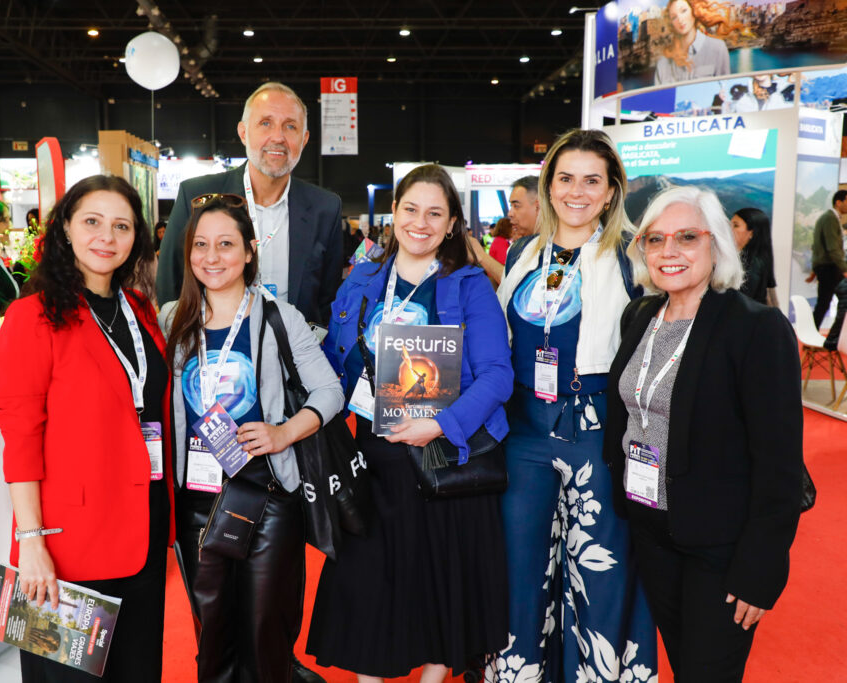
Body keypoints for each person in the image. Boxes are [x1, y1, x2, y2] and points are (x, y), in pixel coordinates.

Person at [307, 164, 512, 680]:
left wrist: (441, 425)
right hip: (370, 461)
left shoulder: (469, 287)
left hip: (441, 462)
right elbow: (335, 358)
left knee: (441, 588)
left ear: (452, 225)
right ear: (394, 213)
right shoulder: (363, 279)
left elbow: (496, 376)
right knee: (368, 588)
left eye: (435, 213)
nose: (420, 223)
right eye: (411, 209)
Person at [605, 185, 802, 681]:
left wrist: (761, 568)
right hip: (650, 531)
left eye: (686, 237)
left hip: (720, 544)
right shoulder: (640, 315)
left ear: (716, 244)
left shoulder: (756, 328)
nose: (668, 251)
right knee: (682, 663)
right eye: (655, 239)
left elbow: (779, 462)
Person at [0, 175, 173, 682]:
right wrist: (31, 544)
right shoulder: (32, 317)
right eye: (92, 222)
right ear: (66, 228)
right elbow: (20, 437)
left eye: (122, 226)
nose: (106, 237)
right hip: (66, 544)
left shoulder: (140, 311)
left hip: (144, 527)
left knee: (137, 671)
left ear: (137, 237)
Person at [491, 129, 657, 682]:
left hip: (597, 428)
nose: (577, 191)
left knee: (599, 570)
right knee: (520, 568)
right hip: (521, 429)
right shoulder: (522, 252)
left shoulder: (635, 257)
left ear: (611, 191)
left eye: (593, 180)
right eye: (566, 178)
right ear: (549, 184)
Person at [161, 193, 342, 682]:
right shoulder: (171, 319)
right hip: (197, 497)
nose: (212, 257)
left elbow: (330, 390)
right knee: (212, 629)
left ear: (248, 252)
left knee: (266, 626)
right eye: (200, 245)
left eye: (225, 244)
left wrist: (284, 433)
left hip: (268, 495)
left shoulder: (279, 316)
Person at [156, 82, 343, 327]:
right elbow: (171, 282)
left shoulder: (325, 208)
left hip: (292, 355)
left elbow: (327, 298)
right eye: (265, 123)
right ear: (244, 133)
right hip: (213, 353)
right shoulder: (197, 196)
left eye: (290, 126)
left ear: (304, 138)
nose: (278, 137)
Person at [654, 0, 731, 85]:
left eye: (683, 11)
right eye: (674, 17)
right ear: (671, 24)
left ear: (694, 12)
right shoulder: (663, 62)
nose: (680, 19)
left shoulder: (717, 49)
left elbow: (724, 89)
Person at [807, 189, 847, 328]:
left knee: (825, 303)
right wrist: (844, 269)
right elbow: (832, 247)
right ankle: (826, 337)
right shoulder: (830, 218)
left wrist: (814, 269)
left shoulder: (828, 218)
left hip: (826, 268)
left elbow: (817, 246)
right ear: (838, 202)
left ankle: (826, 336)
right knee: (825, 302)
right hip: (829, 268)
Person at [730, 207, 776, 305]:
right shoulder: (752, 260)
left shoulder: (752, 265)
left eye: (735, 225)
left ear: (751, 233)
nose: (730, 229)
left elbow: (742, 303)